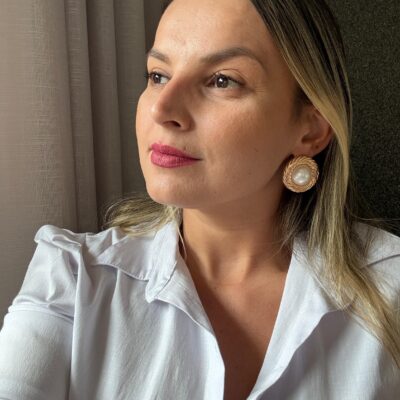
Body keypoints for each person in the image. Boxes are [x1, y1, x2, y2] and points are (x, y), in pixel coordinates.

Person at [0, 0, 399, 399]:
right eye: (158, 75)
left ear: (310, 130)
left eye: (222, 81)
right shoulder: (70, 278)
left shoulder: (390, 290)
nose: (162, 108)